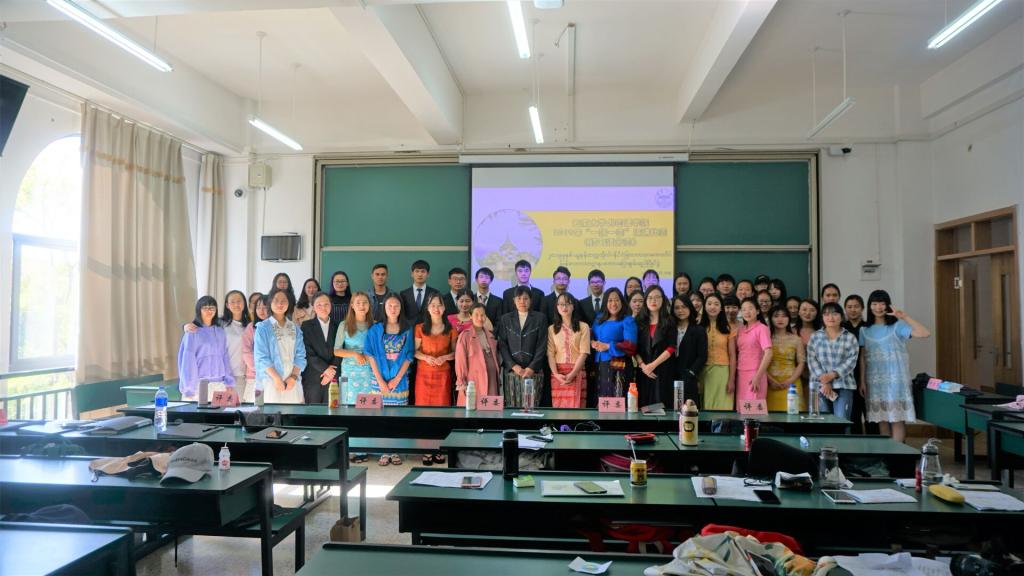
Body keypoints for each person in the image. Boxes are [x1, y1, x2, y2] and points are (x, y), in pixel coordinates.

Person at [860, 290, 930, 443]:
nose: (878, 307)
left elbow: (925, 333)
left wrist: (904, 317)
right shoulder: (864, 330)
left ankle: (897, 455)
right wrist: (862, 381)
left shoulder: (897, 326)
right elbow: (863, 358)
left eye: (882, 303)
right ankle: (887, 454)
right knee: (882, 420)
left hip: (896, 380)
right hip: (875, 381)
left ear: (888, 305)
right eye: (874, 304)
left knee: (896, 419)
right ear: (869, 306)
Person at [496, 286, 548, 406]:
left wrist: (532, 367)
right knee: (512, 405)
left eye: (525, 298)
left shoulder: (540, 318)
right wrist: (513, 366)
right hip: (512, 371)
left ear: (531, 300)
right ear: (514, 301)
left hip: (534, 371)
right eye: (519, 298)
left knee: (532, 406)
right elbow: (502, 344)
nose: (522, 302)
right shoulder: (506, 319)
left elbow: (542, 344)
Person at [807, 302, 860, 419]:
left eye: (835, 314)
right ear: (822, 317)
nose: (830, 318)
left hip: (844, 384)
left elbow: (851, 361)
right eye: (826, 314)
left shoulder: (850, 337)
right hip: (820, 385)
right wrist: (825, 381)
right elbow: (812, 359)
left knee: (842, 421)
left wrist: (832, 375)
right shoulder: (815, 337)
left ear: (842, 316)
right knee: (822, 421)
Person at [254, 287, 306, 404]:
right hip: (270, 381)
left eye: (284, 301)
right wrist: (276, 378)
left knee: (292, 413)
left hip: (291, 382)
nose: (280, 304)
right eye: (276, 300)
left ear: (289, 303)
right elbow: (261, 357)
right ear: (270, 303)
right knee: (269, 414)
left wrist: (293, 377)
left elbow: (301, 355)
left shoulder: (295, 328)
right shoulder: (262, 328)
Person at [177, 296, 235, 401]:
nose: (209, 311)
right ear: (199, 310)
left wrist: (229, 382)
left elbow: (225, 357)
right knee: (198, 412)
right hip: (199, 385)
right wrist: (189, 389)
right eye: (205, 308)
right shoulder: (192, 332)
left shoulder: (220, 331)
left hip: (219, 385)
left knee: (221, 411)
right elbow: (187, 361)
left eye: (212, 308)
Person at [365, 294, 414, 406]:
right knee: (378, 411)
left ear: (401, 307)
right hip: (378, 378)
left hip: (399, 378)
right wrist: (380, 381)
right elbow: (370, 356)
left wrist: (396, 379)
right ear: (384, 307)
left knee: (398, 413)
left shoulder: (407, 329)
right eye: (389, 306)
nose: (393, 309)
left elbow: (409, 356)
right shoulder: (375, 329)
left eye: (396, 306)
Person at [590, 288, 637, 398]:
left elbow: (631, 346)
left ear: (622, 302)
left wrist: (608, 346)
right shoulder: (599, 318)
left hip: (618, 364)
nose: (613, 303)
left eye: (616, 300)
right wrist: (592, 342)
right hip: (599, 364)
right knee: (601, 397)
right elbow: (591, 333)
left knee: (616, 398)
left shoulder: (627, 320)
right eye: (610, 300)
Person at [547, 293, 590, 408]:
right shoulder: (551, 329)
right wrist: (556, 374)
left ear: (573, 306)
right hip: (558, 374)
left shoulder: (583, 327)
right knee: (559, 409)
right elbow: (550, 354)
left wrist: (572, 374)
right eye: (561, 304)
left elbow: (584, 352)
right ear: (557, 307)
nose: (564, 307)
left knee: (577, 410)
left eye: (567, 303)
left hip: (577, 371)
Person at [414, 294, 457, 407]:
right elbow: (414, 351)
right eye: (433, 305)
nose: (436, 309)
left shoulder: (451, 329)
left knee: (442, 408)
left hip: (443, 375)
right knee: (422, 408)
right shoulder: (419, 328)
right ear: (427, 308)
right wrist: (426, 357)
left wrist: (444, 358)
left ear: (444, 307)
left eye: (439, 305)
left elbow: (456, 353)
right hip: (423, 374)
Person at [635, 285, 676, 406]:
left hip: (663, 369)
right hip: (643, 370)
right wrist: (643, 366)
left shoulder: (669, 320)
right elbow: (634, 348)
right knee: (643, 404)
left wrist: (653, 365)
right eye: (650, 298)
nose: (653, 301)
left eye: (657, 297)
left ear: (663, 300)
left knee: (661, 404)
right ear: (645, 300)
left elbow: (671, 347)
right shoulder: (639, 321)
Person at [333, 292, 376, 405]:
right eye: (358, 303)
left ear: (369, 305)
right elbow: (336, 351)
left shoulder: (375, 325)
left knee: (368, 406)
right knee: (347, 405)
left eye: (365, 302)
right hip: (349, 371)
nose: (362, 306)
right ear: (352, 305)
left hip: (369, 371)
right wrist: (355, 354)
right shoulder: (344, 325)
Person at [455, 303, 501, 406]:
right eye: (476, 315)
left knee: (491, 411)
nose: (480, 318)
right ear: (470, 316)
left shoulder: (491, 336)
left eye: (482, 315)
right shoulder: (465, 336)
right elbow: (460, 362)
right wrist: (462, 383)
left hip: (492, 381)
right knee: (473, 411)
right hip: (474, 382)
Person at [843, 294, 876, 434]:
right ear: (845, 309)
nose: (853, 310)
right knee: (853, 414)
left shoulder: (869, 327)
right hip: (847, 376)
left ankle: (874, 444)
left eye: (856, 306)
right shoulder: (842, 328)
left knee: (871, 414)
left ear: (862, 308)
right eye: (849, 307)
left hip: (868, 374)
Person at [300, 292, 340, 404]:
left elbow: (341, 350)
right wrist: (325, 369)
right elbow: (307, 351)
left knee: (332, 410)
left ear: (331, 305)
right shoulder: (306, 326)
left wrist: (331, 372)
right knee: (313, 410)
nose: (323, 307)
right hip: (313, 377)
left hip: (333, 377)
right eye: (319, 305)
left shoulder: (339, 325)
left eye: (326, 304)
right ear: (313, 307)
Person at [699, 294, 736, 410]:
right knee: (706, 406)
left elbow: (732, 355)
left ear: (721, 308)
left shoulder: (728, 328)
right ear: (704, 307)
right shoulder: (698, 327)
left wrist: (731, 379)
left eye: (716, 304)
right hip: (703, 371)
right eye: (709, 304)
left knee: (723, 407)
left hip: (723, 372)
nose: (712, 307)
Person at [766, 305, 806, 412]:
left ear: (789, 318)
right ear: (770, 319)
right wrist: (771, 381)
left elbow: (801, 363)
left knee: (793, 416)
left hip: (792, 384)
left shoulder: (796, 339)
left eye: (784, 316)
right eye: (776, 316)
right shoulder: (766, 338)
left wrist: (790, 381)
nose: (780, 319)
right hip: (770, 384)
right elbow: (759, 362)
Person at [735, 298, 772, 408]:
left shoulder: (762, 328)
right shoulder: (741, 329)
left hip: (755, 373)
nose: (747, 312)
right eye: (744, 309)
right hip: (741, 374)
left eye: (750, 308)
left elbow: (769, 353)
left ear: (757, 311)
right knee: (741, 410)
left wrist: (757, 377)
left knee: (754, 411)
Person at [672, 294, 707, 406]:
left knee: (689, 411)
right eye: (677, 308)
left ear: (690, 308)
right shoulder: (669, 328)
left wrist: (691, 372)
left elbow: (702, 356)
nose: (680, 310)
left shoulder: (699, 330)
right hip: (670, 377)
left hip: (689, 377)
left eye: (684, 307)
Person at [221, 290, 250, 402]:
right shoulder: (220, 324)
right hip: (225, 377)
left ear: (244, 303)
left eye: (239, 301)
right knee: (225, 409)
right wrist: (186, 326)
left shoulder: (250, 325)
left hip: (245, 376)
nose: (236, 304)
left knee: (242, 409)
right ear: (227, 305)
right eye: (232, 302)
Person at [241, 295, 269, 403]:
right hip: (255, 375)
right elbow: (246, 351)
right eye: (258, 307)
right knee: (254, 408)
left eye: (265, 307)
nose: (261, 311)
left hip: (274, 377)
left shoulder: (277, 327)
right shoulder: (251, 327)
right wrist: (260, 368)